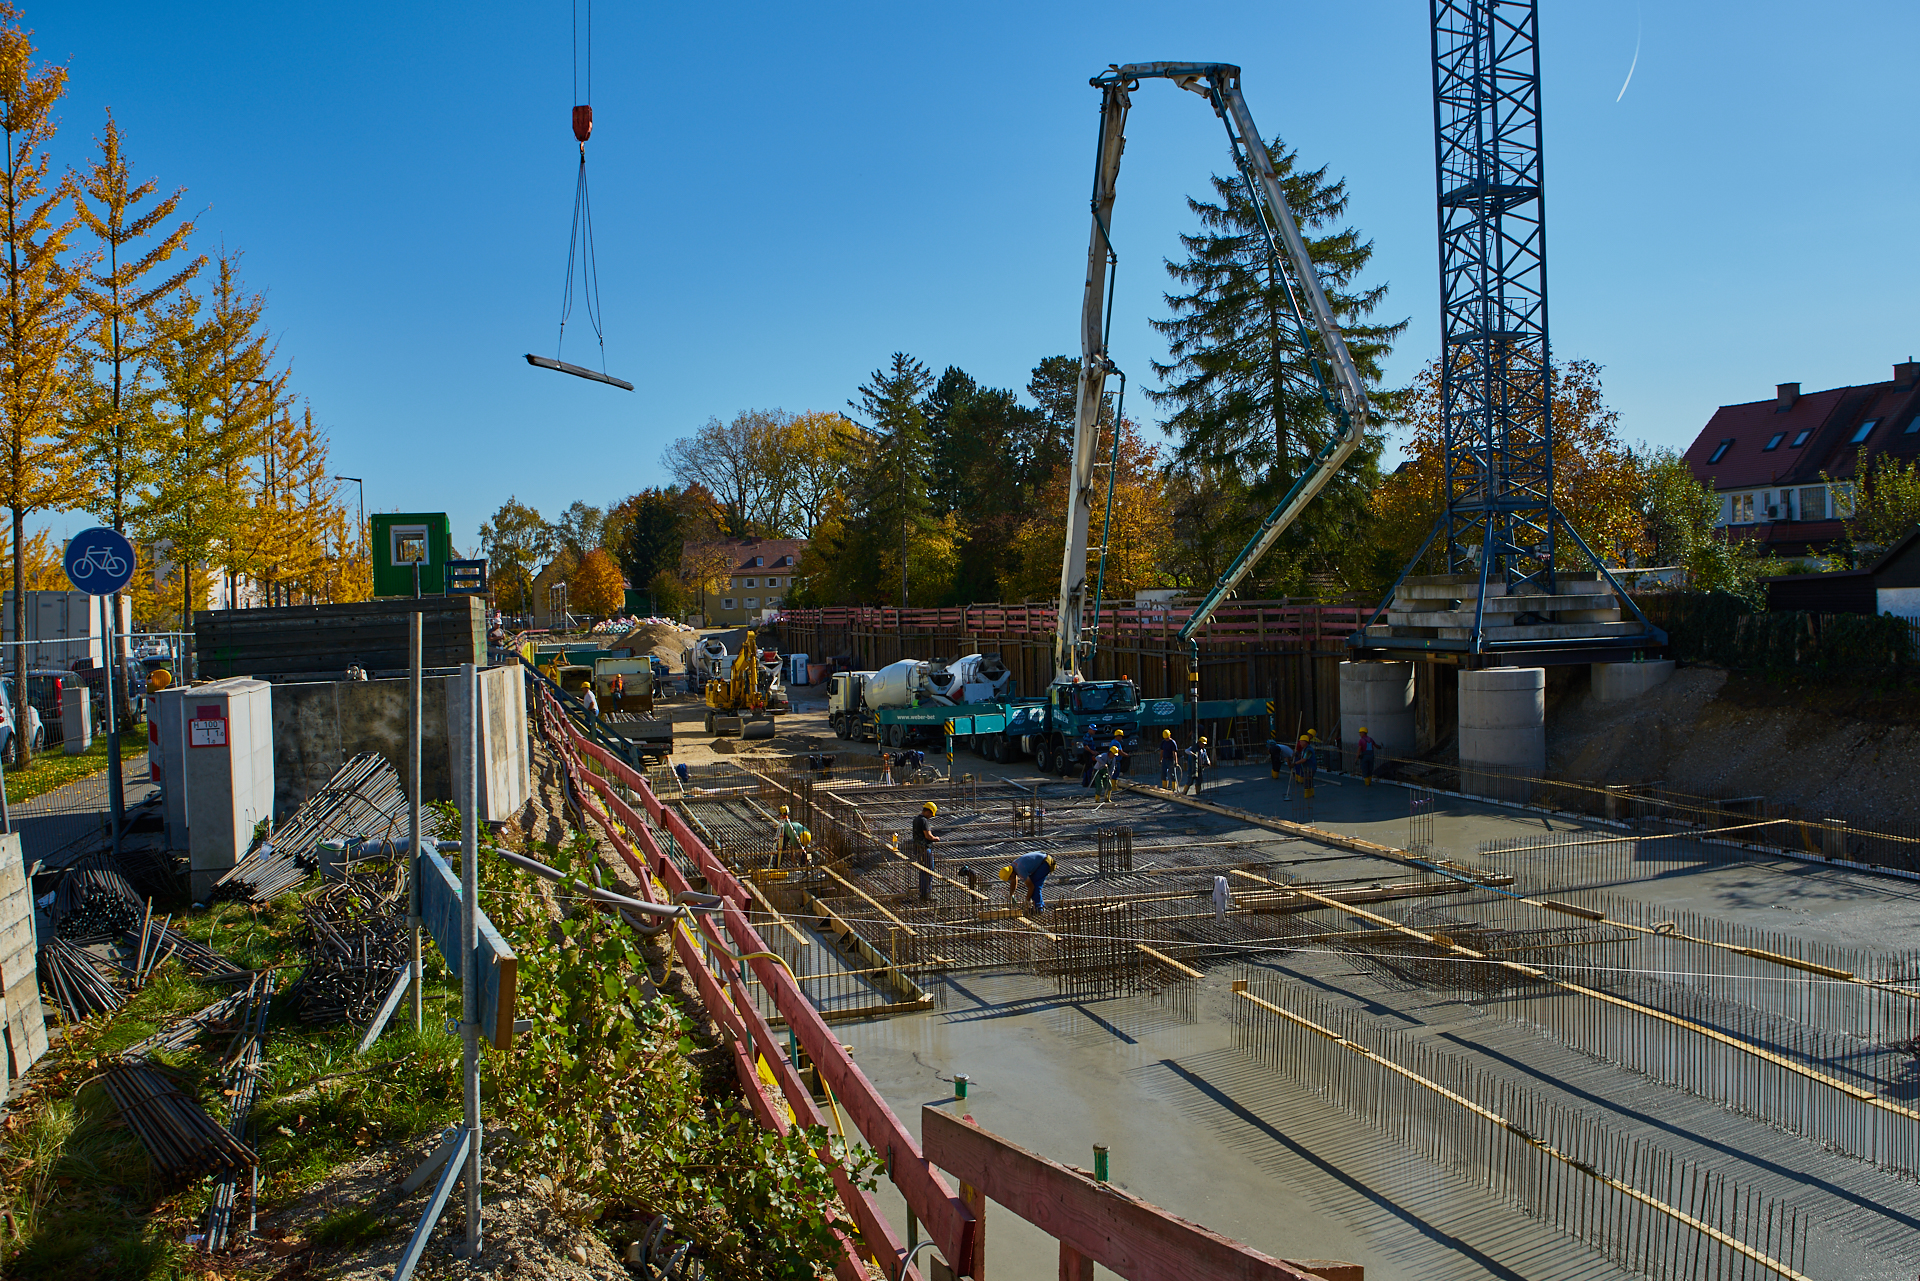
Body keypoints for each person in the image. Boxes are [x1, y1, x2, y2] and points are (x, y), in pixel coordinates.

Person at [913, 800, 940, 899]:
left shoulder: (916, 819)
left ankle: (923, 892)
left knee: (922, 870)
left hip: (917, 848)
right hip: (925, 848)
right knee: (929, 870)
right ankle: (926, 894)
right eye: (931, 814)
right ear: (928, 811)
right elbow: (928, 836)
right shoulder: (924, 821)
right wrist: (935, 838)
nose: (931, 816)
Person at [1293, 727, 1318, 800]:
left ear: (1305, 742)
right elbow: (1302, 756)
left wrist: (1295, 763)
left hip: (1310, 768)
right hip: (1307, 768)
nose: (1300, 743)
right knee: (1309, 780)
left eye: (1301, 741)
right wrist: (1297, 755)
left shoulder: (1308, 750)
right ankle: (1311, 793)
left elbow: (1304, 759)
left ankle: (1307, 795)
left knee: (1307, 781)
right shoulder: (1305, 749)